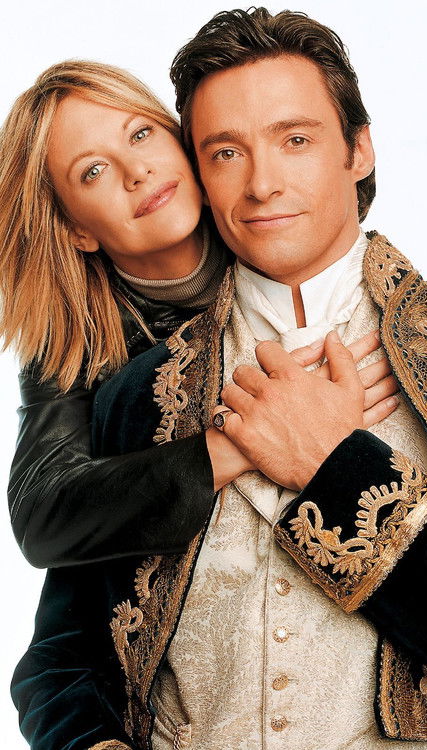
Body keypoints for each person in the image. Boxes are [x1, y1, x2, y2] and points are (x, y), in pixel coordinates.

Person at [10, 7, 427, 750]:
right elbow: (63, 662)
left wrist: (336, 466)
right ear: (201, 175)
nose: (263, 184)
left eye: (295, 140)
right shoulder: (128, 393)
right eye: (226, 153)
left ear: (359, 149)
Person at [0, 59, 397, 570]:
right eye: (93, 171)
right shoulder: (77, 339)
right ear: (76, 230)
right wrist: (247, 440)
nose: (136, 172)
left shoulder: (272, 230)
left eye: (140, 134)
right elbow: (41, 514)